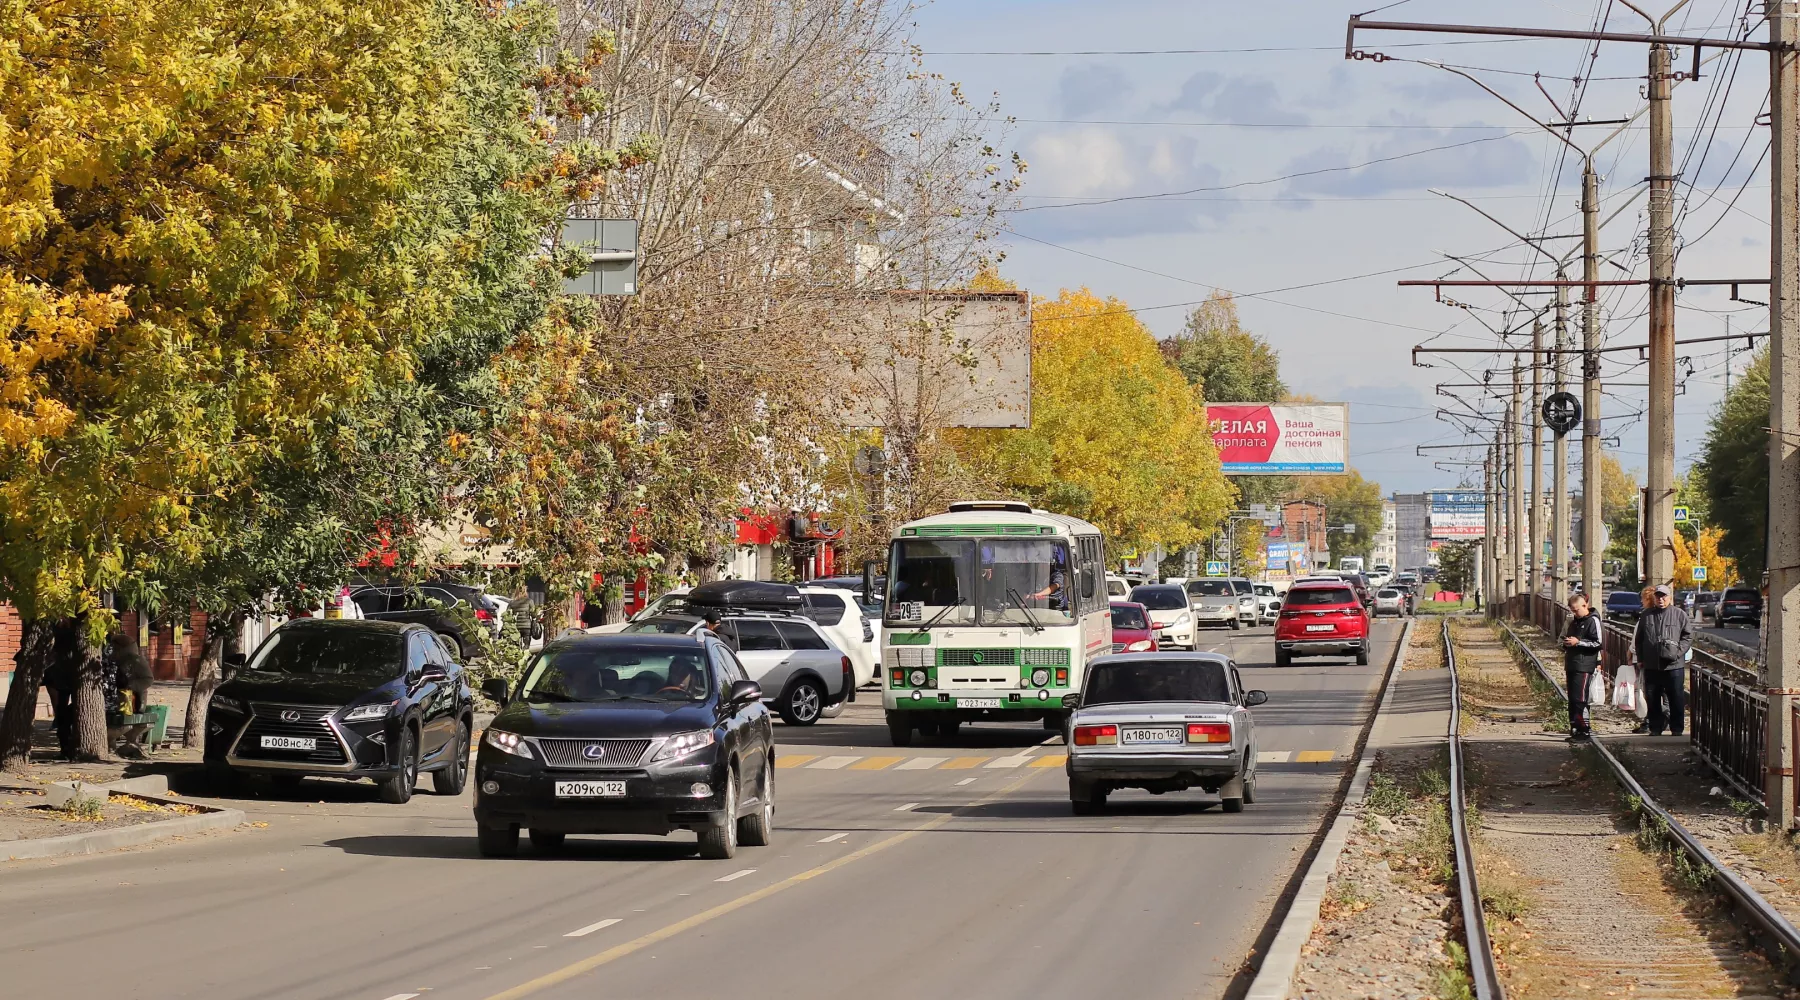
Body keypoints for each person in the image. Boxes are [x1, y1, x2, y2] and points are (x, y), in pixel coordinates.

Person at [1633, 583, 1693, 736]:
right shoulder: (1647, 615)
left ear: (1669, 597)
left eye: (1664, 596)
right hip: (1652, 665)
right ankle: (1655, 728)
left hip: (1674, 666)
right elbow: (1639, 640)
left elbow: (1687, 637)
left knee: (1676, 698)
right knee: (1652, 698)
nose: (1661, 599)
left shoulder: (1679, 614)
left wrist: (1678, 653)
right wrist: (1640, 658)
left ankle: (1677, 729)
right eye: (1658, 596)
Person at [1560, 592, 1604, 742]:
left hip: (1584, 665)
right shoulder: (1574, 622)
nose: (1574, 613)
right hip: (1572, 663)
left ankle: (1584, 730)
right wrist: (1566, 644)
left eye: (1576, 610)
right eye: (1572, 610)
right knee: (1572, 698)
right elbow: (1566, 638)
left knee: (1580, 699)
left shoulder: (1593, 621)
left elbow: (1598, 643)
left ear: (1585, 605)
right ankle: (1575, 727)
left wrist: (1578, 642)